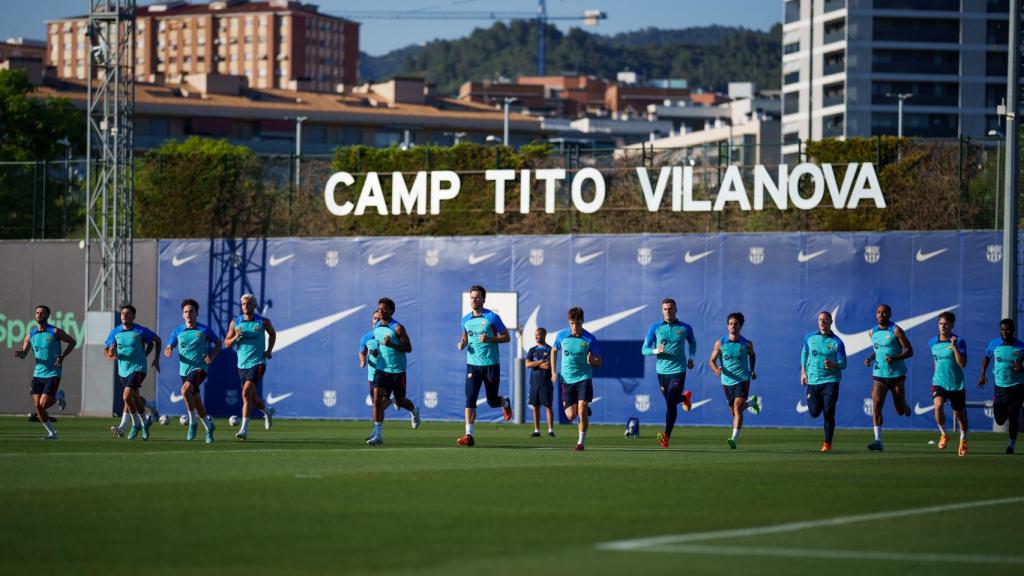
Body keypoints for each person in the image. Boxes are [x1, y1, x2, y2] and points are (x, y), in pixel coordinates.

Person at [456, 285, 512, 447]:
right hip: (472, 365)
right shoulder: (465, 319)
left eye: (477, 297)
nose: (474, 300)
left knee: (492, 401)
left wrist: (490, 339)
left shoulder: (492, 317)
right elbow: (465, 337)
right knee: (470, 398)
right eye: (472, 297)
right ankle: (469, 435)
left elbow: (506, 337)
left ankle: (505, 404)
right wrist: (462, 344)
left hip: (491, 365)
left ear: (483, 299)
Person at [641, 298, 696, 449]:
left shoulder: (685, 328)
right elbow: (644, 349)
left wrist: (691, 358)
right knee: (670, 402)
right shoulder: (655, 327)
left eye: (670, 309)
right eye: (665, 309)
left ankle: (666, 436)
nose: (668, 311)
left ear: (676, 309)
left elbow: (692, 342)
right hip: (661, 372)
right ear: (661, 311)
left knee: (671, 401)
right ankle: (685, 398)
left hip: (678, 370)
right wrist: (655, 351)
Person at [14, 305, 76, 440]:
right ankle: (52, 433)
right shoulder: (31, 334)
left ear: (48, 316)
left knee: (43, 405)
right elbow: (25, 353)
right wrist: (21, 354)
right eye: (37, 312)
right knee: (37, 406)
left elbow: (72, 342)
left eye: (42, 313)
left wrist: (63, 355)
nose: (39, 315)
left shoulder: (55, 332)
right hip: (38, 375)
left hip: (53, 373)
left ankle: (59, 395)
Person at [163, 298, 220, 444]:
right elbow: (169, 347)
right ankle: (209, 428)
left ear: (197, 314)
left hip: (200, 368)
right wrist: (168, 350)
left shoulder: (203, 330)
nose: (188, 314)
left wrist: (212, 356)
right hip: (184, 371)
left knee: (184, 391)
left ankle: (192, 422)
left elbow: (218, 343)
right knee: (197, 402)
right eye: (186, 312)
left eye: (191, 311)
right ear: (183, 315)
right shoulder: (177, 331)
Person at [365, 297, 420, 446]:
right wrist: (375, 353)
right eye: (379, 308)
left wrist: (392, 345)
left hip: (397, 371)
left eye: (384, 309)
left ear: (391, 311)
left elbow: (408, 348)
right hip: (381, 369)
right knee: (377, 399)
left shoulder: (398, 328)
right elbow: (378, 345)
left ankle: (414, 410)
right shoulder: (377, 327)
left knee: (401, 401)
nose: (380, 311)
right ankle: (378, 434)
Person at [104, 304, 161, 441]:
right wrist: (110, 355)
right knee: (133, 399)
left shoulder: (140, 330)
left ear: (133, 316)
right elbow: (107, 350)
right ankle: (145, 424)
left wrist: (155, 359)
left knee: (126, 396)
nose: (124, 315)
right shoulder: (115, 332)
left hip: (138, 369)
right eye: (123, 313)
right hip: (123, 370)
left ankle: (135, 425)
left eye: (128, 313)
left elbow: (156, 341)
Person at [223, 293, 276, 440]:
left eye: (248, 303)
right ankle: (267, 411)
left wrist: (269, 350)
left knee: (245, 393)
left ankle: (244, 430)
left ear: (254, 305)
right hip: (242, 365)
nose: (246, 306)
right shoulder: (236, 323)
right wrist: (236, 337)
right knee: (251, 398)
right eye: (243, 304)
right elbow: (226, 343)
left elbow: (272, 334)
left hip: (258, 363)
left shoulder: (263, 322)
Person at [863, 304, 914, 451]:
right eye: (878, 312)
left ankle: (904, 406)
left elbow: (910, 351)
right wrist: (870, 358)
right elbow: (878, 351)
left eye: (884, 312)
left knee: (899, 410)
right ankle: (878, 440)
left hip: (897, 376)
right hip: (879, 375)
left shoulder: (896, 330)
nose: (881, 315)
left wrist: (896, 358)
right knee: (877, 402)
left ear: (890, 314)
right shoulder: (872, 332)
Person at [552, 307, 602, 451]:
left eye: (578, 323)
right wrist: (554, 372)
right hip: (567, 380)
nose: (575, 327)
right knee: (570, 415)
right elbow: (553, 350)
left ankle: (580, 443)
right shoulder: (562, 336)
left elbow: (599, 361)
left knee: (581, 409)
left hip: (584, 377)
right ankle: (585, 410)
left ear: (582, 322)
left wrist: (593, 361)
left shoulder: (590, 339)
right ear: (569, 322)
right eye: (572, 323)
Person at [709, 312, 760, 449]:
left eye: (736, 324)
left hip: (742, 380)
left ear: (740, 326)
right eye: (730, 324)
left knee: (737, 408)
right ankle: (752, 403)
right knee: (734, 411)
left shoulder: (747, 344)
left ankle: (734, 440)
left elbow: (752, 356)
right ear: (727, 326)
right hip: (726, 382)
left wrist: (752, 370)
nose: (733, 326)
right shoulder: (721, 343)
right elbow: (711, 361)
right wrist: (716, 370)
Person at [801, 310, 847, 452]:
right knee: (814, 412)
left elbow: (843, 364)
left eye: (825, 319)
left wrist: (833, 365)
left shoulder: (837, 342)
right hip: (813, 382)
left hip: (830, 381)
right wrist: (803, 372)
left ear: (831, 322)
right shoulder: (809, 338)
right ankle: (821, 402)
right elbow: (804, 354)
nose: (822, 321)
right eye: (820, 319)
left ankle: (827, 443)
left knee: (829, 412)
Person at [978, 318, 1024, 455]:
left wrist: (1021, 368)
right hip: (1000, 388)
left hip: (1017, 387)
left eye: (1008, 329)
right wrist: (982, 375)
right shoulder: (994, 344)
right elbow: (986, 358)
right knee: (999, 419)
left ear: (1013, 330)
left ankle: (1011, 446)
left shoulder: (1021, 346)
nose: (1005, 332)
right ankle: (1001, 415)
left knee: (1014, 417)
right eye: (1002, 329)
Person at [928, 311, 968, 456]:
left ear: (951, 325)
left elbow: (962, 364)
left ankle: (963, 439)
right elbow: (936, 361)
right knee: (938, 407)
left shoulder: (959, 340)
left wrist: (955, 346)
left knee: (959, 415)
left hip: (956, 384)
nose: (943, 326)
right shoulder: (932, 342)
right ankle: (944, 434)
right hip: (939, 382)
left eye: (946, 324)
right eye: (940, 323)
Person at [525, 327, 554, 437]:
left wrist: (535, 363)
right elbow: (527, 364)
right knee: (535, 406)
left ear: (544, 335)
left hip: (545, 382)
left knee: (547, 406)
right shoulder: (532, 350)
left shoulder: (550, 349)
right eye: (536, 335)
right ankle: (536, 430)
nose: (537, 337)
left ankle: (550, 430)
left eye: (539, 334)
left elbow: (548, 366)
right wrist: (541, 361)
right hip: (534, 383)